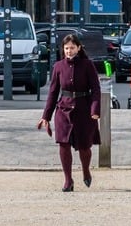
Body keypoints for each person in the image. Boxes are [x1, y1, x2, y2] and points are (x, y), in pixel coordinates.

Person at [38, 33, 101, 192]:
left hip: (84, 110)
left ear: (78, 48)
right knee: (63, 144)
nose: (69, 51)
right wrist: (46, 116)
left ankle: (86, 170)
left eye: (72, 48)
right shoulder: (58, 66)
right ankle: (68, 180)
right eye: (66, 48)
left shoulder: (87, 65)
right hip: (63, 110)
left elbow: (95, 89)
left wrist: (95, 109)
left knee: (84, 146)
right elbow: (53, 92)